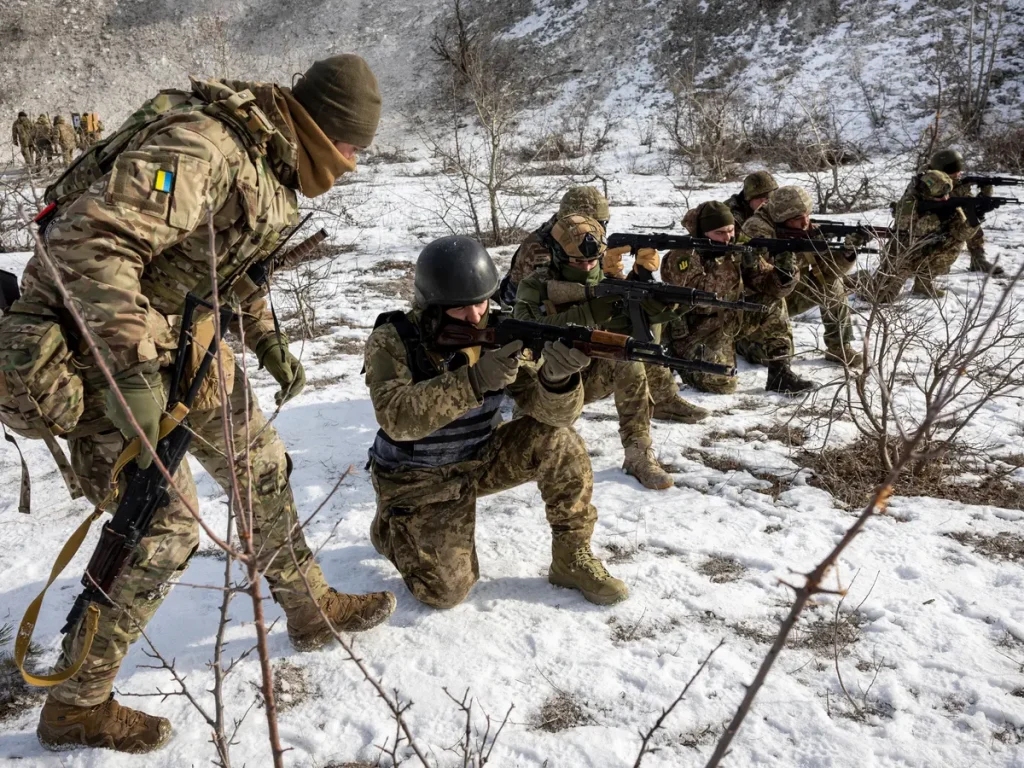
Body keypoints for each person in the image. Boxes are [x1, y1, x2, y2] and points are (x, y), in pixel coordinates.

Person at [12, 54, 394, 754]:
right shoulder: (203, 148)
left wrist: (270, 343)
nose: (354, 165)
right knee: (161, 527)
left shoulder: (269, 161)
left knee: (262, 465)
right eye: (353, 149)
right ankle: (77, 703)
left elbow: (222, 265)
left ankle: (309, 607)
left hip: (176, 343)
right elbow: (87, 248)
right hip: (96, 345)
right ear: (322, 129)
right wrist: (134, 382)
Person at [365, 235, 628, 609]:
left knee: (560, 439)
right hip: (415, 477)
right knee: (446, 593)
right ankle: (391, 528)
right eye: (461, 308)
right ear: (432, 306)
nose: (476, 316)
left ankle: (571, 557)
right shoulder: (393, 340)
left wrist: (559, 381)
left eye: (482, 302)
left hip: (479, 457)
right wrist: (474, 381)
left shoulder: (500, 332)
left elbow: (550, 413)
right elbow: (396, 418)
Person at [503, 185, 708, 424]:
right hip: (533, 318)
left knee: (637, 321)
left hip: (579, 310)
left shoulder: (586, 239)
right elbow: (542, 299)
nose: (599, 229)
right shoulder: (540, 250)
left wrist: (634, 282)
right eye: (595, 221)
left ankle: (664, 397)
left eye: (602, 222)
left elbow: (598, 282)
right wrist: (598, 306)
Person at [514, 215, 678, 490]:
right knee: (532, 451)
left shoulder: (608, 280)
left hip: (589, 373)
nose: (588, 267)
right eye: (578, 262)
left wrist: (653, 299)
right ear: (557, 256)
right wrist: (588, 312)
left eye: (593, 261)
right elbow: (526, 331)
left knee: (630, 359)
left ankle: (639, 452)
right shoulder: (535, 285)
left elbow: (643, 339)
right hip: (545, 382)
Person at [661, 201, 809, 394]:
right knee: (724, 384)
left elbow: (766, 285)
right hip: (693, 333)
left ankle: (780, 372)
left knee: (771, 301)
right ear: (704, 233)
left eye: (730, 230)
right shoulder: (683, 255)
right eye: (720, 233)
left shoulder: (736, 245)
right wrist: (731, 264)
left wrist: (784, 274)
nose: (728, 238)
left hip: (727, 321)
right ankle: (682, 363)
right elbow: (700, 298)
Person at [741, 186, 863, 368]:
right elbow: (761, 282)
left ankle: (839, 346)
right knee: (774, 357)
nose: (805, 222)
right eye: (798, 218)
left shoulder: (799, 226)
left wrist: (846, 254)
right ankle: (741, 342)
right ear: (782, 218)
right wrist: (791, 258)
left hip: (786, 294)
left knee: (830, 283)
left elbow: (828, 271)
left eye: (807, 214)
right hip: (755, 305)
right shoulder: (757, 231)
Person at [872, 170, 977, 301]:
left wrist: (975, 218)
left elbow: (961, 234)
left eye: (947, 194)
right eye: (940, 196)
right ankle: (855, 278)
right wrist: (937, 217)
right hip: (902, 255)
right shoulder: (909, 202)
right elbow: (910, 231)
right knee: (882, 298)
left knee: (954, 242)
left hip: (926, 251)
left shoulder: (948, 204)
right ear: (926, 194)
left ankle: (923, 283)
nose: (945, 198)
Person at [927, 148, 1004, 276]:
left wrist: (986, 193)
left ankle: (978, 259)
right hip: (930, 230)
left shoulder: (957, 183)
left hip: (944, 228)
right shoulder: (929, 183)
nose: (959, 174)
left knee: (971, 217)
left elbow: (971, 204)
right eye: (954, 171)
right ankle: (929, 262)